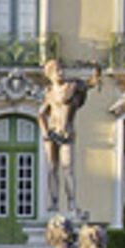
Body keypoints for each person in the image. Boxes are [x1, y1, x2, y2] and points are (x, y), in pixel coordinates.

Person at [38, 58, 100, 214]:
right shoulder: (50, 93)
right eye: (57, 70)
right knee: (52, 169)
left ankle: (72, 204)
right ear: (50, 75)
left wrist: (97, 69)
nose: (61, 73)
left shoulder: (72, 87)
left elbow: (92, 82)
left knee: (68, 168)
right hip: (52, 133)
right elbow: (41, 114)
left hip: (67, 133)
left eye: (61, 69)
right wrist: (45, 133)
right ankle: (53, 204)